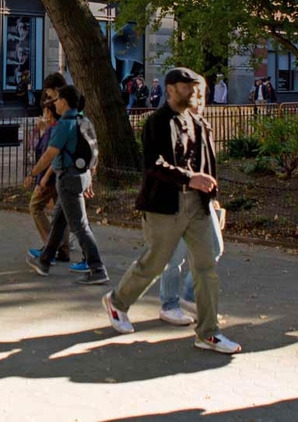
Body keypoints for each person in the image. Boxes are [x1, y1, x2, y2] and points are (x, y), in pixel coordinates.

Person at [102, 67, 241, 354]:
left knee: (205, 266)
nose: (191, 91)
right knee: (155, 263)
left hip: (197, 205)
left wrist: (212, 198)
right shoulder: (157, 121)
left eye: (193, 86)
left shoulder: (199, 122)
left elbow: (207, 166)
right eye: (184, 86)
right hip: (165, 205)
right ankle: (117, 302)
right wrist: (190, 178)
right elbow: (153, 164)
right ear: (170, 89)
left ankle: (208, 333)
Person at [158, 76, 225, 326]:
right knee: (174, 256)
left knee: (214, 249)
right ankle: (169, 304)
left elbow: (208, 168)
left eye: (201, 95)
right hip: (177, 200)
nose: (198, 101)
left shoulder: (204, 127)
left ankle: (187, 296)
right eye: (193, 95)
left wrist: (213, 198)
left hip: (202, 202)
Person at [25, 85, 108, 285]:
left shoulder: (64, 125)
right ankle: (45, 260)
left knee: (80, 225)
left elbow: (49, 155)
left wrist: (33, 173)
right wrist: (89, 178)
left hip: (68, 179)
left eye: (57, 99)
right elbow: (95, 151)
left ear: (64, 101)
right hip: (81, 175)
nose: (54, 103)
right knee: (59, 221)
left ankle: (97, 268)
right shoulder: (84, 121)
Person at [26, 98, 70, 263]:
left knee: (35, 206)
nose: (43, 114)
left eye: (45, 111)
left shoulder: (54, 130)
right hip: (59, 177)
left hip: (50, 177)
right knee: (61, 213)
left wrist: (38, 177)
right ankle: (63, 249)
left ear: (49, 113)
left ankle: (51, 245)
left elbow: (47, 156)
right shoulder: (54, 128)